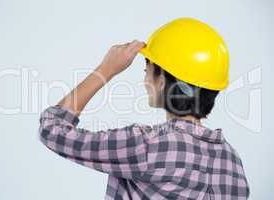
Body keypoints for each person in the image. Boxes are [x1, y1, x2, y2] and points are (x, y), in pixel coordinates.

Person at [38, 18, 250, 199]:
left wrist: (106, 69)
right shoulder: (233, 162)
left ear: (162, 81)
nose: (145, 79)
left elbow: (52, 129)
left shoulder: (147, 146)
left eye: (147, 70)